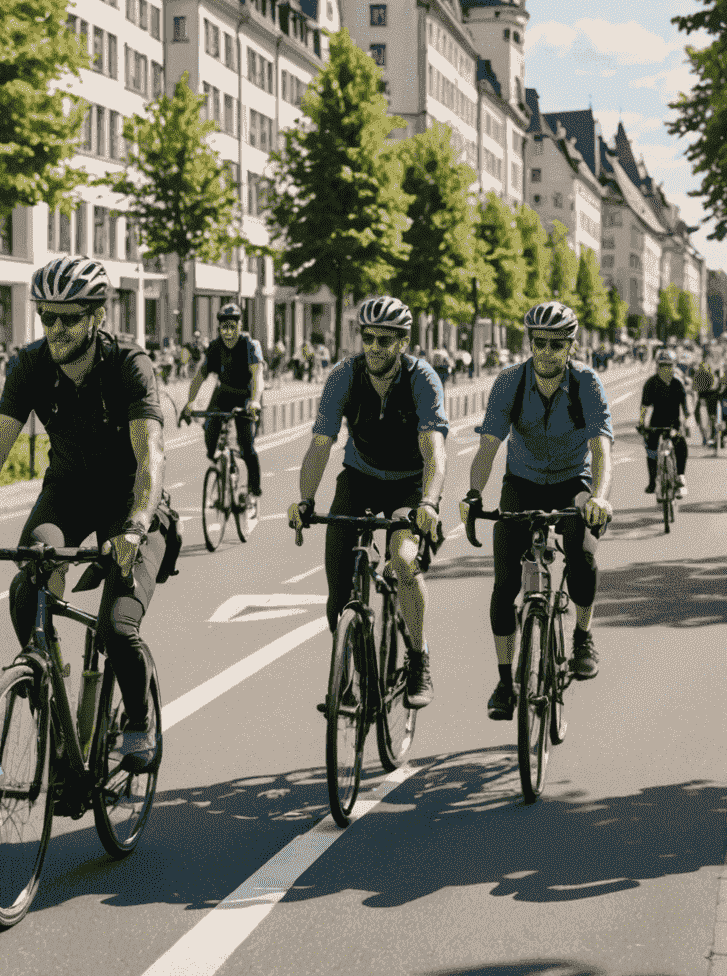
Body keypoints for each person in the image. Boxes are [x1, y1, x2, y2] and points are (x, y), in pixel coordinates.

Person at [0, 256, 166, 768]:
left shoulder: (130, 365)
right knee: (29, 585)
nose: (56, 328)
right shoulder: (31, 365)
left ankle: (136, 721)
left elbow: (151, 451)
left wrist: (136, 524)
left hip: (130, 501)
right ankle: (50, 683)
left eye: (68, 317)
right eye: (47, 316)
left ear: (97, 317)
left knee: (117, 628)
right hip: (66, 494)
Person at [288, 295, 446, 708]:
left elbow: (434, 452)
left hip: (410, 485)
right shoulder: (344, 376)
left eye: (385, 339)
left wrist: (429, 502)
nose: (374, 346)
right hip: (359, 479)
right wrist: (305, 499)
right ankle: (350, 676)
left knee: (404, 559)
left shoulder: (422, 380)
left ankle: (417, 658)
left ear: (402, 343)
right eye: (368, 337)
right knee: (338, 588)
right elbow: (320, 444)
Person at [463, 301, 614, 720]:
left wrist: (599, 496)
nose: (546, 351)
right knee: (504, 583)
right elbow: (488, 445)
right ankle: (505, 680)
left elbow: (602, 446)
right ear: (530, 343)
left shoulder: (586, 383)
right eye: (539, 343)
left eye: (556, 344)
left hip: (573, 484)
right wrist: (474, 494)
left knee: (582, 558)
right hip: (522, 483)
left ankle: (582, 636)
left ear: (571, 346)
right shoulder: (510, 382)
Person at [180, 302, 264, 505]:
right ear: (220, 328)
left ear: (239, 326)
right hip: (223, 394)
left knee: (246, 445)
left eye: (233, 326)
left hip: (246, 394)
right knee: (210, 437)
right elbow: (200, 376)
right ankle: (223, 472)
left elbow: (257, 376)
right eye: (224, 326)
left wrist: (254, 401)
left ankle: (253, 488)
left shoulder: (250, 345)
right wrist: (189, 402)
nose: (228, 331)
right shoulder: (215, 347)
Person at [638, 348, 691, 496]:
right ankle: (652, 481)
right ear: (657, 366)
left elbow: (686, 407)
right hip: (656, 422)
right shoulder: (651, 383)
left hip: (674, 422)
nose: (665, 369)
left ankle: (680, 475)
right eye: (662, 365)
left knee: (680, 444)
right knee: (651, 450)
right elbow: (644, 406)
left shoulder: (678, 383)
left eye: (669, 365)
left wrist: (686, 422)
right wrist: (642, 424)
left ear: (674, 366)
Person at [690, 351, 720, 447]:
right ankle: (706, 437)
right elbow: (695, 387)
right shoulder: (700, 370)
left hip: (711, 395)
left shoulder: (714, 369)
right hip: (704, 396)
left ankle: (712, 436)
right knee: (701, 416)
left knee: (711, 417)